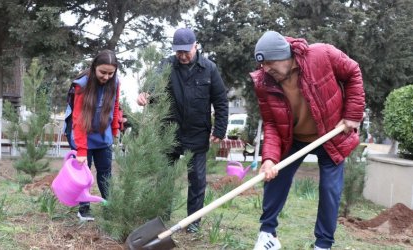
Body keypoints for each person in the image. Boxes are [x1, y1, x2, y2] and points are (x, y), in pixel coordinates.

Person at [250, 31, 365, 250]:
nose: (265, 69)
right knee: (274, 178)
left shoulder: (321, 55)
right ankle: (268, 235)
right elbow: (272, 123)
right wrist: (269, 158)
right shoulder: (264, 82)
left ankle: (323, 244)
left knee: (330, 190)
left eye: (270, 63)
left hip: (331, 135)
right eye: (263, 65)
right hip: (294, 139)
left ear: (285, 56)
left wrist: (353, 113)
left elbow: (353, 71)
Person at [136, 28, 228, 233]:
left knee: (196, 181)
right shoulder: (167, 65)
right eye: (179, 52)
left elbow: (221, 101)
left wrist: (220, 129)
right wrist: (145, 92)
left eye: (187, 51)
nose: (183, 56)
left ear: (196, 46)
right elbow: (154, 81)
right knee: (164, 177)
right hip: (168, 132)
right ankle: (161, 218)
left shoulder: (209, 69)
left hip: (197, 133)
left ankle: (193, 223)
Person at [67, 49, 121, 221]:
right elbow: (78, 119)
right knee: (84, 173)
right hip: (82, 135)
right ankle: (83, 209)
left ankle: (109, 206)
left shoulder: (115, 82)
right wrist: (82, 150)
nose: (106, 77)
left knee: (106, 173)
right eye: (102, 72)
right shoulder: (82, 85)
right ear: (94, 67)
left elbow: (115, 106)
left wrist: (113, 131)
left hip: (102, 135)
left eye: (110, 73)